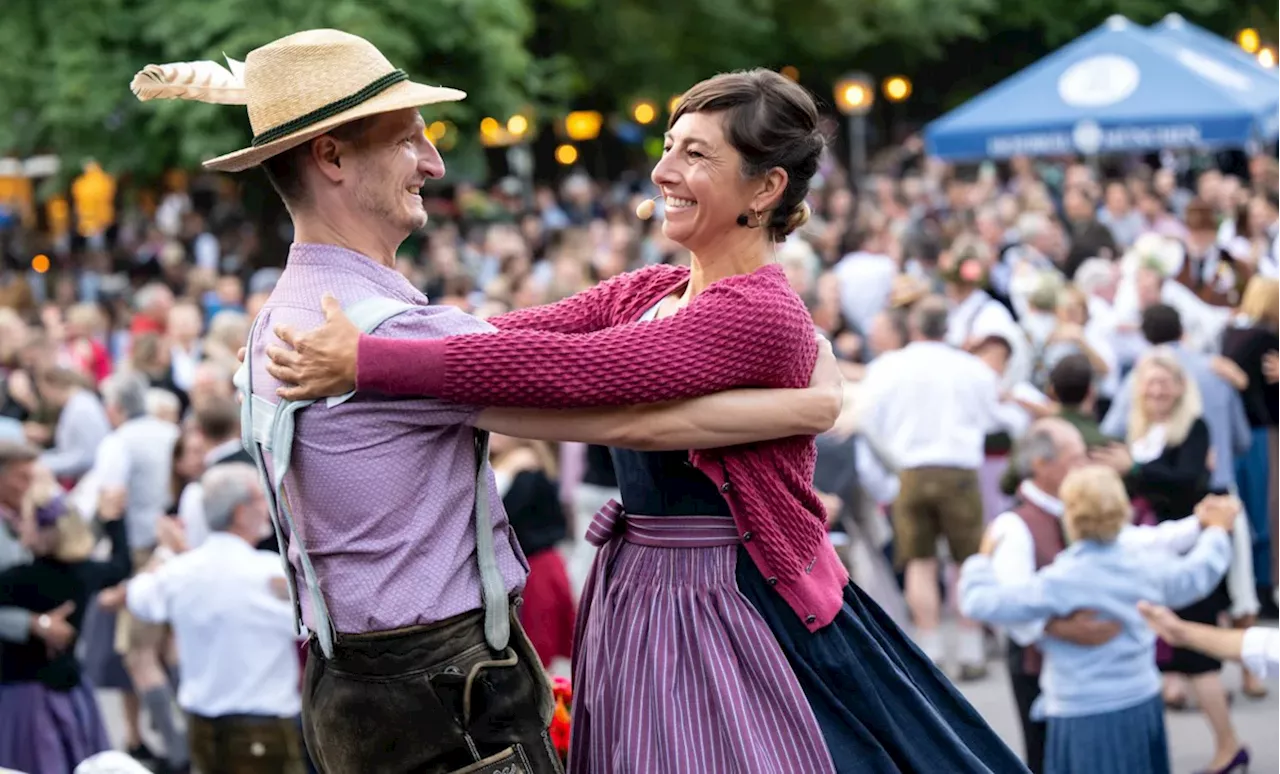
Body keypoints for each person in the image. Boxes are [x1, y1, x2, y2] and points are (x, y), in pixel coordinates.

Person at [264, 69, 1026, 772]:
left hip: (734, 604)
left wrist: (370, 362)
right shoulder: (652, 287)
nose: (663, 172)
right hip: (642, 591)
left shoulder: (757, 308)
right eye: (668, 149)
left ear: (765, 187)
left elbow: (588, 377)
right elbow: (509, 339)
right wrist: (396, 347)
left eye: (694, 154)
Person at [135, 36, 844, 774]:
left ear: (767, 188)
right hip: (451, 693)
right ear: (332, 157)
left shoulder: (291, 316)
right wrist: (815, 401)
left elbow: (536, 356)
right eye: (410, 140)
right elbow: (580, 377)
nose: (435, 164)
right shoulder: (390, 330)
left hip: (351, 685)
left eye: (695, 153)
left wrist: (813, 397)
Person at [960, 466, 1237, 774]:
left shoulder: (1063, 578)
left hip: (1081, 709)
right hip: (1138, 699)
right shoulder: (1141, 564)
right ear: (1122, 509)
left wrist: (981, 562)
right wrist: (1215, 531)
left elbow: (981, 603)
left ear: (1071, 517)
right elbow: (1195, 576)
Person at [125, 464, 307, 774]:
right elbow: (309, 627)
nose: (267, 508)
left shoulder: (181, 571)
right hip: (261, 725)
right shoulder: (266, 573)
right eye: (259, 500)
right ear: (240, 511)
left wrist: (167, 552)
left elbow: (139, 597)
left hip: (202, 725)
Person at [0, 469, 132, 773]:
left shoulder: (20, 579)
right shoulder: (83, 572)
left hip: (24, 699)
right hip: (72, 693)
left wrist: (34, 622)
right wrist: (113, 521)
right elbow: (119, 566)